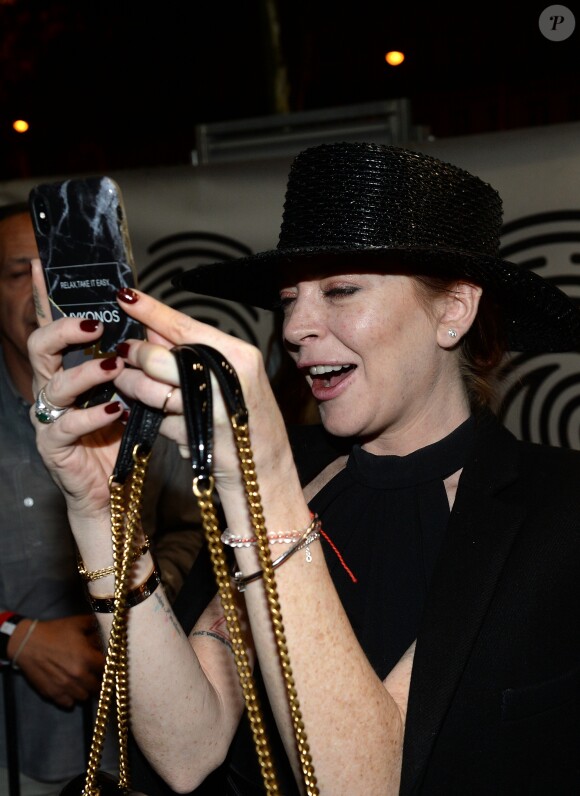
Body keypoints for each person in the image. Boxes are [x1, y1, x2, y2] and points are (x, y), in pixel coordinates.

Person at [26, 142, 580, 795]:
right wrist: (99, 511)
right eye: (289, 298)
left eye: (341, 290)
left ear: (454, 310)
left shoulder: (555, 508)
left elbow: (364, 783)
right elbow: (187, 749)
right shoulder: (288, 472)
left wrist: (264, 483)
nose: (295, 326)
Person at [0, 202, 204, 794]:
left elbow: (190, 528)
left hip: (132, 743)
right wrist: (16, 636)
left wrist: (126, 611)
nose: (41, 290)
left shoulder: (130, 396)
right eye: (19, 273)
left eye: (55, 272)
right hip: (11, 746)